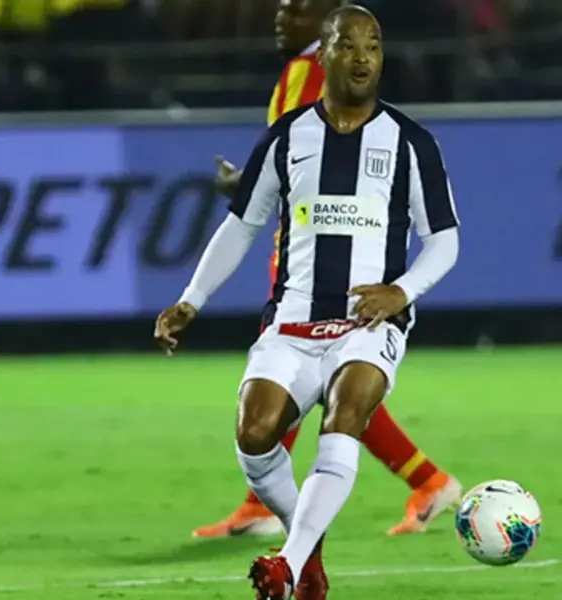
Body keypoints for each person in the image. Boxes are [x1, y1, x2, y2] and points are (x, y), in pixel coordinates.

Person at [155, 6, 461, 598]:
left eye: (374, 46)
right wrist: (190, 301)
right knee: (254, 431)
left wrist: (401, 291)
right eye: (350, 46)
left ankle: (286, 565)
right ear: (324, 56)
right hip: (293, 319)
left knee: (346, 414)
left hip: (369, 323)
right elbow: (241, 225)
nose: (364, 57)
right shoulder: (288, 136)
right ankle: (309, 558)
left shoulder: (411, 142)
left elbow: (445, 241)